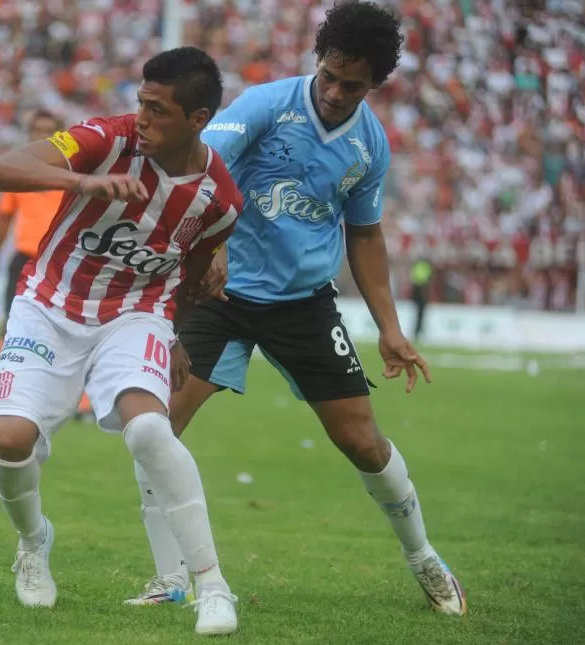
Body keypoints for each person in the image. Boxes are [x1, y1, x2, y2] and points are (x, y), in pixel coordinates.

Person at [124, 1, 467, 616]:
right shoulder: (266, 105)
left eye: (352, 84)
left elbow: (365, 233)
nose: (335, 92)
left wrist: (390, 328)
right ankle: (171, 576)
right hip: (219, 295)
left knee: (362, 441)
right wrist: (217, 244)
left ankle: (424, 558)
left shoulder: (369, 147)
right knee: (157, 428)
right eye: (330, 75)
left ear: (376, 83)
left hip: (303, 304)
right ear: (319, 60)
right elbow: (207, 163)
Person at [0, 47, 244, 635]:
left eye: (158, 109)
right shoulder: (105, 138)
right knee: (9, 439)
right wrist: (84, 181)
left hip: (134, 314)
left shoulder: (219, 200)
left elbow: (189, 270)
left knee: (150, 428)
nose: (141, 117)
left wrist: (172, 334)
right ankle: (33, 542)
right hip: (48, 304)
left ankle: (212, 585)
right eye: (140, 102)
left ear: (197, 119)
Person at [0, 109, 93, 423]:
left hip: (64, 260)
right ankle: (2, 398)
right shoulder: (18, 173)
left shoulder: (75, 173)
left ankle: (81, 405)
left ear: (61, 138)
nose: (41, 137)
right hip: (25, 259)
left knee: (74, 331)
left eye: (49, 131)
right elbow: (3, 220)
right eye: (36, 130)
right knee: (10, 329)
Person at [409, 257, 433, 341]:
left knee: (418, 314)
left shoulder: (417, 266)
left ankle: (418, 331)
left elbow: (413, 278)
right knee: (420, 314)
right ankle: (418, 331)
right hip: (421, 292)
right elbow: (427, 280)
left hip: (416, 291)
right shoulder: (426, 267)